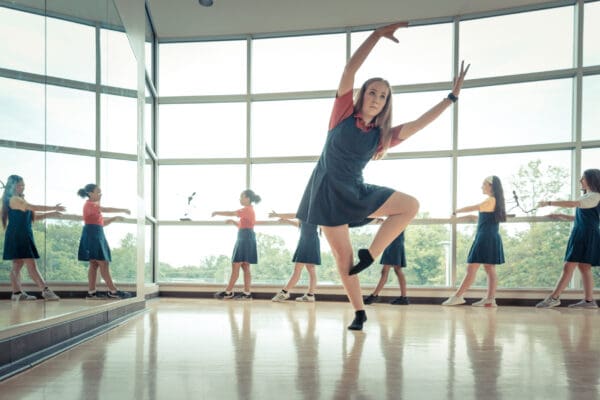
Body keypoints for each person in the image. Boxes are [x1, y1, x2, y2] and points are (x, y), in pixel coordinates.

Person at [295, 22, 469, 329]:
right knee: (341, 259)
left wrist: (450, 99)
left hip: (355, 190)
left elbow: (418, 124)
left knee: (410, 205)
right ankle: (359, 312)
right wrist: (376, 35)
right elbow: (350, 69)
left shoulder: (382, 135)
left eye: (383, 96)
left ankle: (371, 253)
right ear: (362, 96)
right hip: (325, 192)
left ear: (387, 103)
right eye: (372, 92)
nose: (376, 98)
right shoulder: (342, 115)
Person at [535, 169, 600, 309]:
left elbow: (573, 204)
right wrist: (562, 216)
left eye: (583, 178)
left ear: (591, 180)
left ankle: (554, 298)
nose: (580, 181)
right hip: (583, 232)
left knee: (569, 266)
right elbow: (584, 218)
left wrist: (548, 202)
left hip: (585, 234)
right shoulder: (588, 197)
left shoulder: (595, 196)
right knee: (584, 267)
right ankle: (589, 301)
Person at [442, 176, 506, 307]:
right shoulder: (494, 202)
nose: (481, 187)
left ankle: (458, 296)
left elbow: (474, 207)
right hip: (490, 236)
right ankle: (490, 299)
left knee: (472, 268)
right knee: (489, 268)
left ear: (491, 186)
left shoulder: (490, 200)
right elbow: (479, 216)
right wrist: (458, 217)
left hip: (485, 238)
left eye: (484, 184)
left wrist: (456, 210)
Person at [2, 175, 63, 301]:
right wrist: (53, 207)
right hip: (19, 235)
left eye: (23, 184)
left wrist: (51, 213)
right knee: (30, 264)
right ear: (12, 186)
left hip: (22, 234)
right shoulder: (14, 200)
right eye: (19, 185)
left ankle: (17, 293)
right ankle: (45, 291)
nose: (22, 187)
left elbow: (32, 217)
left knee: (17, 265)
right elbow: (33, 207)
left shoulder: (19, 200)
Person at [77, 183, 132, 299]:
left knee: (94, 264)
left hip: (96, 233)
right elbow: (105, 209)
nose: (100, 194)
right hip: (93, 235)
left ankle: (91, 292)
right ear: (90, 193)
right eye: (98, 192)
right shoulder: (90, 205)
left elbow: (101, 223)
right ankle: (113, 291)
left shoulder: (93, 206)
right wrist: (123, 210)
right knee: (103, 263)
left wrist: (115, 218)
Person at [213, 189, 261, 300]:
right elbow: (244, 226)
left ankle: (228, 292)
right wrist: (234, 222)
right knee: (245, 266)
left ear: (247, 198)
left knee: (236, 265)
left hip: (245, 239)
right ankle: (246, 293)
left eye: (241, 197)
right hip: (245, 237)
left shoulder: (247, 209)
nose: (240, 199)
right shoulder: (249, 210)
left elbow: (231, 213)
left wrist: (216, 212)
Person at [270, 211, 320, 302]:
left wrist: (277, 215)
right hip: (309, 241)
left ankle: (284, 292)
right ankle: (310, 295)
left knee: (299, 269)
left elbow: (293, 215)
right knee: (310, 269)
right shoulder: (310, 212)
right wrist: (287, 221)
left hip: (308, 242)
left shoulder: (308, 211)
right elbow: (302, 225)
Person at [363, 231, 409, 305]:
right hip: (392, 242)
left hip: (394, 242)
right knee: (396, 270)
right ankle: (403, 298)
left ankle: (374, 296)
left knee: (387, 270)